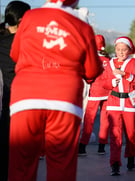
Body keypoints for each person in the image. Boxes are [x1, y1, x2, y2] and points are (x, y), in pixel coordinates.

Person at [8, 0, 103, 180]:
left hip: (26, 96)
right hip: (64, 99)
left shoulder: (29, 17)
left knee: (21, 163)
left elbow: (15, 53)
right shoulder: (82, 26)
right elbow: (92, 70)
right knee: (61, 164)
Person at [103, 36, 135, 176]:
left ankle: (131, 157)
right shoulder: (110, 63)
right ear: (115, 49)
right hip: (114, 103)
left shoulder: (134, 63)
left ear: (129, 50)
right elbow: (104, 82)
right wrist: (111, 83)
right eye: (118, 49)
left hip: (129, 103)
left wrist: (125, 74)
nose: (120, 52)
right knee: (115, 135)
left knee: (131, 134)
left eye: (124, 49)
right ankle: (115, 164)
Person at [0, 1, 31, 180]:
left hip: (7, 104)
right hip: (26, 103)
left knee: (5, 149)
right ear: (22, 20)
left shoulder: (2, 41)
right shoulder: (29, 42)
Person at [78, 34, 111, 156]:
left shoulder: (92, 59)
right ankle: (102, 147)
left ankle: (82, 147)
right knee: (105, 120)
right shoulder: (108, 59)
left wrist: (87, 80)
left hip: (95, 93)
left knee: (89, 120)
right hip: (108, 93)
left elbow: (90, 77)